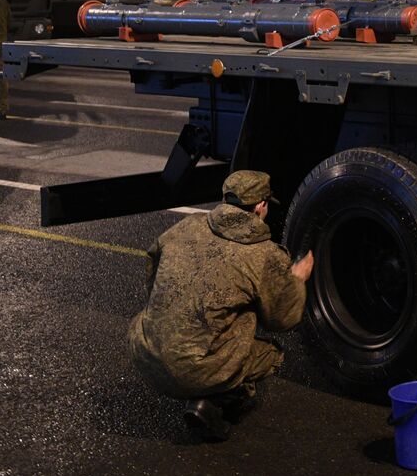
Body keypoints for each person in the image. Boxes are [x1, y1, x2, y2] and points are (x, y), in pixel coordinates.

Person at [128, 170, 314, 441]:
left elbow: (152, 273)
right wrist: (296, 280)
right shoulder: (264, 255)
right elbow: (283, 320)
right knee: (270, 354)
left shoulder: (186, 226)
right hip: (193, 371)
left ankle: (196, 378)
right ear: (261, 206)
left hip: (145, 353)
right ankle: (213, 403)